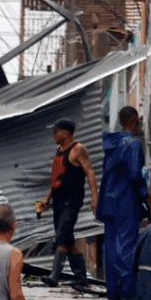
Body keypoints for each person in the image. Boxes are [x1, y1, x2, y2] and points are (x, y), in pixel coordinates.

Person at [96, 106, 151, 300]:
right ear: (135, 121)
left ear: (120, 121)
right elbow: (135, 174)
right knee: (126, 245)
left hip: (109, 202)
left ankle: (114, 292)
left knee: (111, 246)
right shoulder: (133, 144)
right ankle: (128, 292)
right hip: (126, 201)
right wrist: (145, 192)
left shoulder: (110, 144)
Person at [39, 118, 98, 287]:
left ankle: (54, 276)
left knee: (61, 237)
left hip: (72, 200)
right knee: (68, 239)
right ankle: (81, 277)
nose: (53, 135)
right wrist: (47, 199)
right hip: (58, 200)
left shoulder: (78, 149)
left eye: (55, 131)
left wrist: (95, 197)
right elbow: (56, 178)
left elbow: (90, 172)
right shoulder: (59, 151)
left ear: (65, 133)